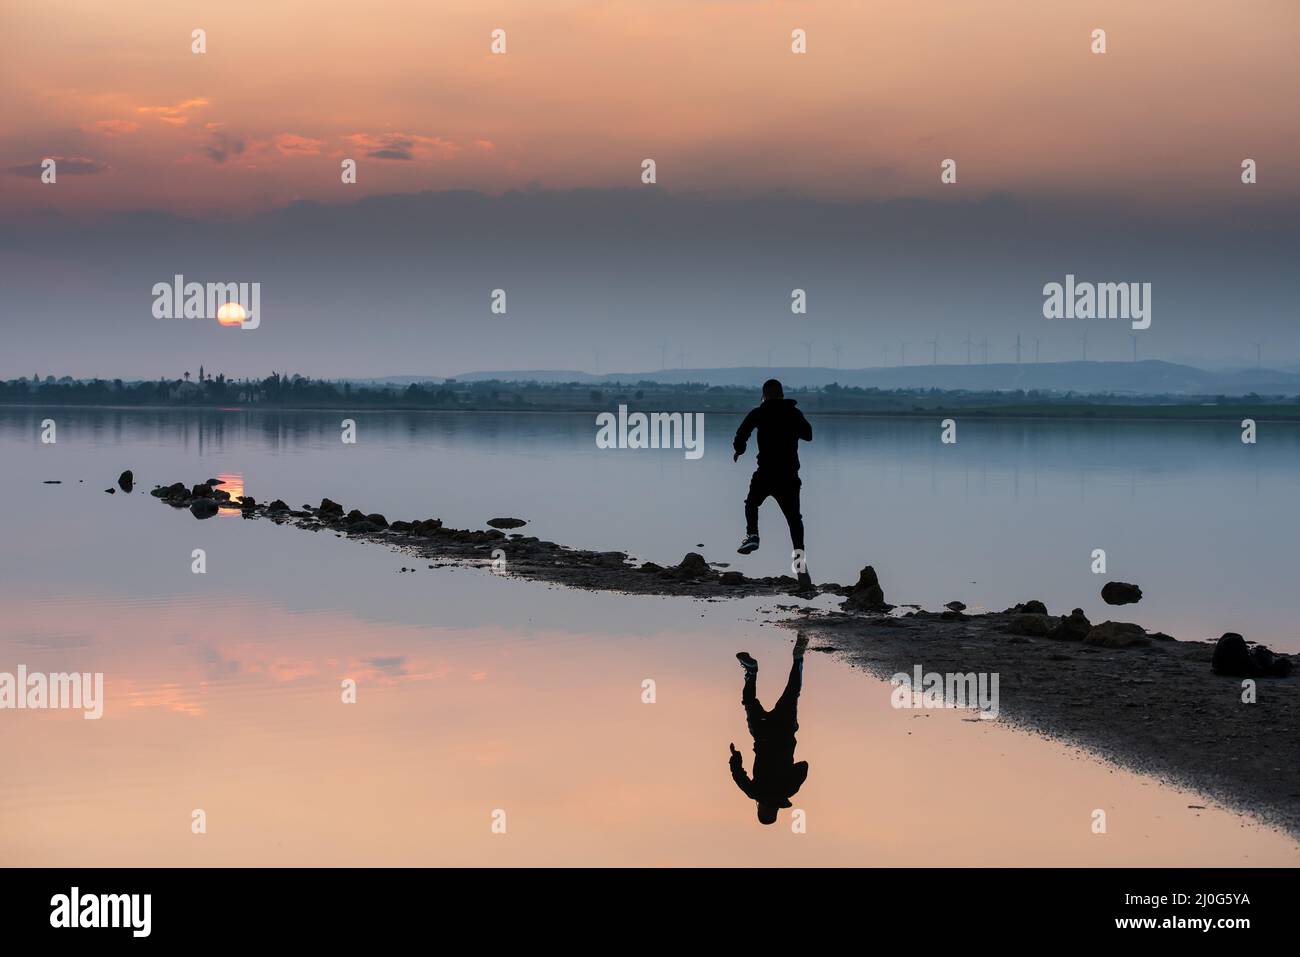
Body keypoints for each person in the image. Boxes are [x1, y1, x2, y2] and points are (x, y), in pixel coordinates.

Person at [732, 378, 813, 588]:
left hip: (766, 474)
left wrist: (739, 450)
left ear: (764, 395)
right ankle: (800, 568)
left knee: (751, 503)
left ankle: (753, 535)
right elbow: (809, 435)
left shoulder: (759, 413)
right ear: (782, 395)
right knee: (794, 521)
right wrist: (791, 426)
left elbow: (742, 434)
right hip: (789, 476)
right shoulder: (793, 413)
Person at [729, 633, 810, 825]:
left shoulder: (788, 790)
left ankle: (798, 658)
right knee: (749, 702)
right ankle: (751, 672)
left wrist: (786, 770)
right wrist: (735, 756)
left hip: (784, 733)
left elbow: (804, 766)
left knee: (792, 692)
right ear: (760, 808)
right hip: (762, 734)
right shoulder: (754, 792)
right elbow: (737, 774)